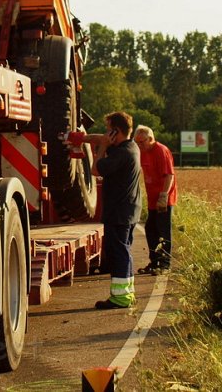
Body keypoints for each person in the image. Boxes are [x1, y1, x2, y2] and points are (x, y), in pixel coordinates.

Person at [82, 112, 143, 309]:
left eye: (109, 130)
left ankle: (120, 298)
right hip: (127, 211)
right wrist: (83, 138)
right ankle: (127, 295)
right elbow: (99, 138)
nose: (107, 133)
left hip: (119, 212)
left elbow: (95, 170)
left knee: (118, 253)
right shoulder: (130, 147)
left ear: (117, 131)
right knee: (123, 251)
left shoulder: (121, 153)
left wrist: (102, 148)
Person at [134, 125, 176, 275]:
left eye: (141, 142)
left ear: (151, 139)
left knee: (162, 231)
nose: (139, 145)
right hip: (152, 199)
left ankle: (164, 264)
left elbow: (169, 175)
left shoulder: (160, 151)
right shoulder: (143, 152)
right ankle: (154, 262)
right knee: (150, 229)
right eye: (136, 142)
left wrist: (164, 195)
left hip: (163, 199)